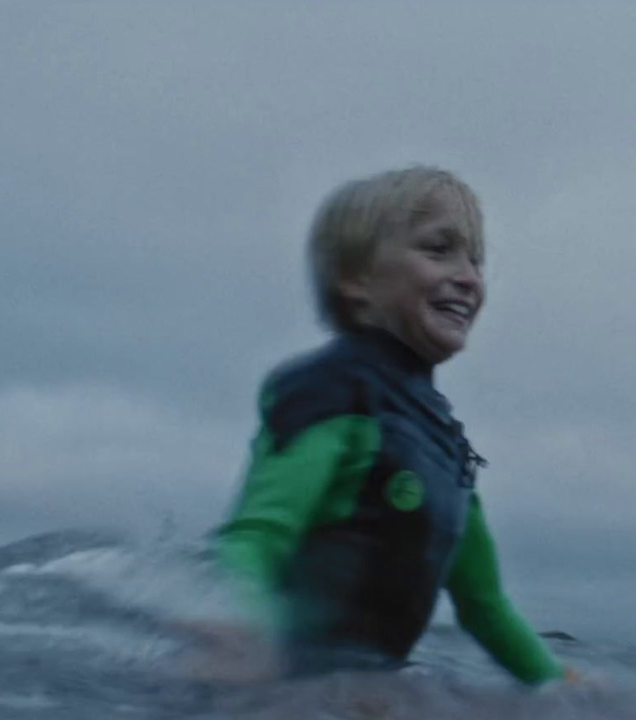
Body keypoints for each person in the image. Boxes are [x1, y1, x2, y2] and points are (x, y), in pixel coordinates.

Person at [202, 166, 572, 687]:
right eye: (439, 249)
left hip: (368, 690)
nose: (469, 277)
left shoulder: (447, 445)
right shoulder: (331, 390)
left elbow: (485, 607)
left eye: (476, 260)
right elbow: (255, 537)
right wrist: (238, 628)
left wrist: (568, 691)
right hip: (276, 688)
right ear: (355, 278)